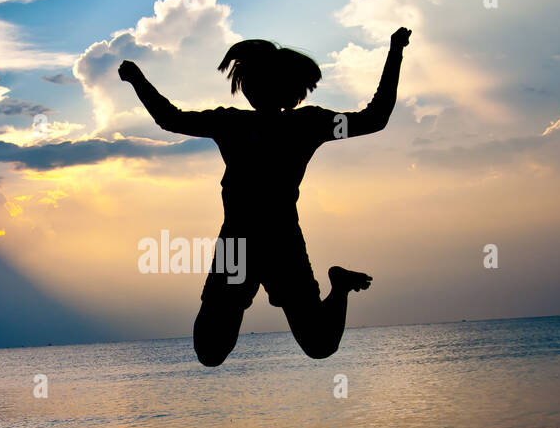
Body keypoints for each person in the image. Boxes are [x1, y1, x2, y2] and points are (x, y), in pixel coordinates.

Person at [119, 26, 411, 365]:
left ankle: (340, 286)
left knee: (320, 345)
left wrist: (395, 52)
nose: (250, 88)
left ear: (287, 89)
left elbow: (374, 119)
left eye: (256, 81)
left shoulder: (306, 125)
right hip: (238, 245)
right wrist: (137, 80)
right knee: (210, 353)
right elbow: (170, 119)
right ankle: (330, 288)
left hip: (280, 244)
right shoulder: (235, 124)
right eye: (249, 81)